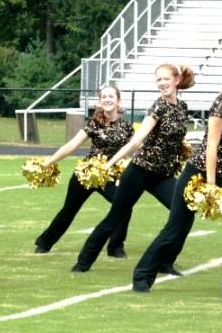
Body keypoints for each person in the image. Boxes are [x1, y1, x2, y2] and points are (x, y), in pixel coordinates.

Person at [132, 58, 222, 297]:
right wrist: (209, 185)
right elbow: (211, 145)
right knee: (175, 228)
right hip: (198, 174)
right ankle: (142, 275)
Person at [71, 64, 195, 273]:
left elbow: (177, 141)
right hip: (140, 170)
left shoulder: (182, 107)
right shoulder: (158, 107)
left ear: (176, 80)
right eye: (158, 80)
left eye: (165, 79)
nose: (162, 83)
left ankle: (164, 261)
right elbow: (135, 142)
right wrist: (109, 164)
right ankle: (83, 262)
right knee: (115, 217)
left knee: (185, 213)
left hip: (163, 175)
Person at [34, 85, 135, 257]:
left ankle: (116, 247)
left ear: (119, 101)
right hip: (86, 174)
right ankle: (44, 243)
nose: (107, 99)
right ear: (100, 101)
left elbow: (134, 149)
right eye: (104, 97)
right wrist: (49, 162)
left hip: (109, 176)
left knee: (124, 206)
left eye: (111, 96)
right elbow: (72, 145)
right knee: (68, 210)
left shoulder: (127, 127)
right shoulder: (94, 124)